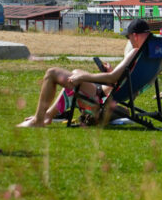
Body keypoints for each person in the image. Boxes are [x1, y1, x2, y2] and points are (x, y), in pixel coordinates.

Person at [17, 18, 151, 127]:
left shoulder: (135, 52)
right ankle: (47, 115)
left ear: (135, 35)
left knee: (52, 73)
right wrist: (111, 72)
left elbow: (111, 78)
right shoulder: (149, 56)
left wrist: (85, 76)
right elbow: (120, 80)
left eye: (128, 37)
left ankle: (39, 119)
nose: (129, 41)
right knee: (76, 72)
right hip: (111, 97)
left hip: (100, 102)